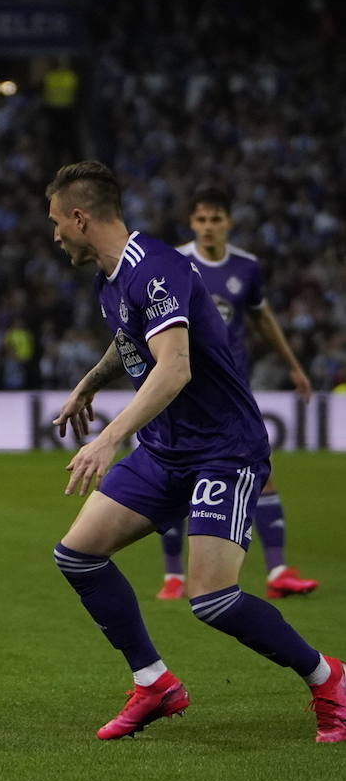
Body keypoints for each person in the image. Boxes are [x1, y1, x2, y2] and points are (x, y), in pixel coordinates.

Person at [44, 161, 344, 742]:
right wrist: (90, 383)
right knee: (76, 555)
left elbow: (174, 368)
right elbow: (130, 341)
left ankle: (329, 678)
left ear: (80, 218)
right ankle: (154, 681)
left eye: (56, 220)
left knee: (211, 600)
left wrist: (108, 437)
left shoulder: (155, 268)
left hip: (222, 452)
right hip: (166, 450)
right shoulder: (111, 279)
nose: (53, 233)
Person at [154, 189, 318, 601]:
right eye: (202, 219)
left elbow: (262, 319)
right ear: (192, 223)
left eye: (216, 219)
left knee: (261, 470)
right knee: (176, 472)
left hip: (231, 391)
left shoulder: (247, 267)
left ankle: (278, 569)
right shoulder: (173, 263)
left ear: (228, 221)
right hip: (184, 387)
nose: (209, 226)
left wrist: (293, 365)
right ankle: (174, 575)